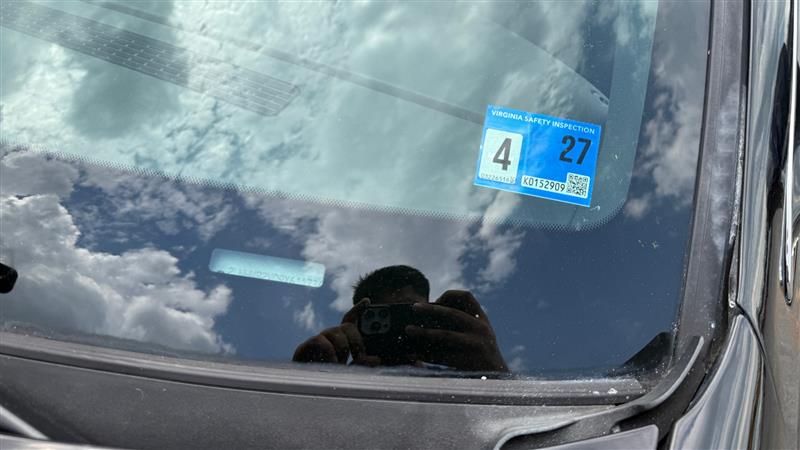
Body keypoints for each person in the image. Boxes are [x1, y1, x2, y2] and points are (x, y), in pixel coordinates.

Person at [292, 265, 508, 372]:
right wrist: (308, 377)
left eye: (408, 316)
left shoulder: (456, 384)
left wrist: (492, 368)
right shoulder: (339, 381)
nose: (398, 331)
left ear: (432, 316)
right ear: (357, 325)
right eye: (380, 322)